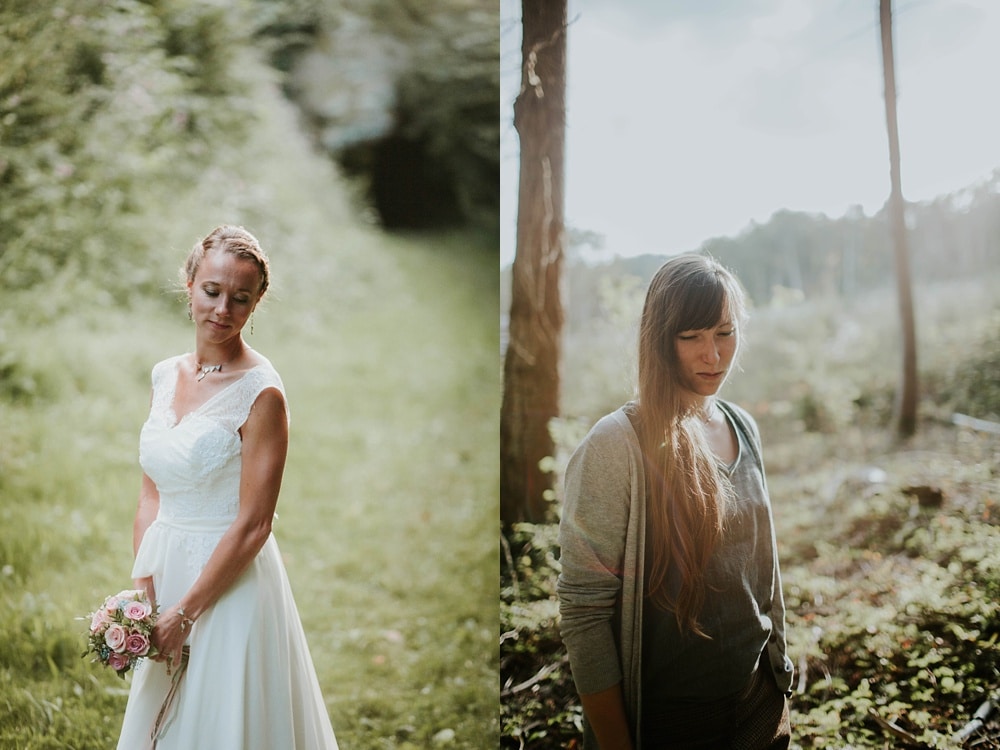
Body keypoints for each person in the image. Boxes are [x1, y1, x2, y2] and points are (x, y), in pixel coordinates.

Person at [557, 254, 794, 749]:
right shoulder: (615, 445)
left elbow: (762, 571)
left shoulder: (742, 426)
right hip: (671, 723)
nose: (714, 356)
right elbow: (584, 613)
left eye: (724, 333)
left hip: (761, 705)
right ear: (662, 341)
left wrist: (779, 677)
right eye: (692, 337)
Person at [116, 225, 339, 749]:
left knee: (224, 723)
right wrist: (147, 590)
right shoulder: (164, 376)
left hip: (228, 581)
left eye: (240, 299)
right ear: (190, 284)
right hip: (166, 567)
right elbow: (152, 494)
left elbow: (256, 522)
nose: (222, 309)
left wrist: (186, 612)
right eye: (212, 292)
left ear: (256, 303)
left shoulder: (262, 393)